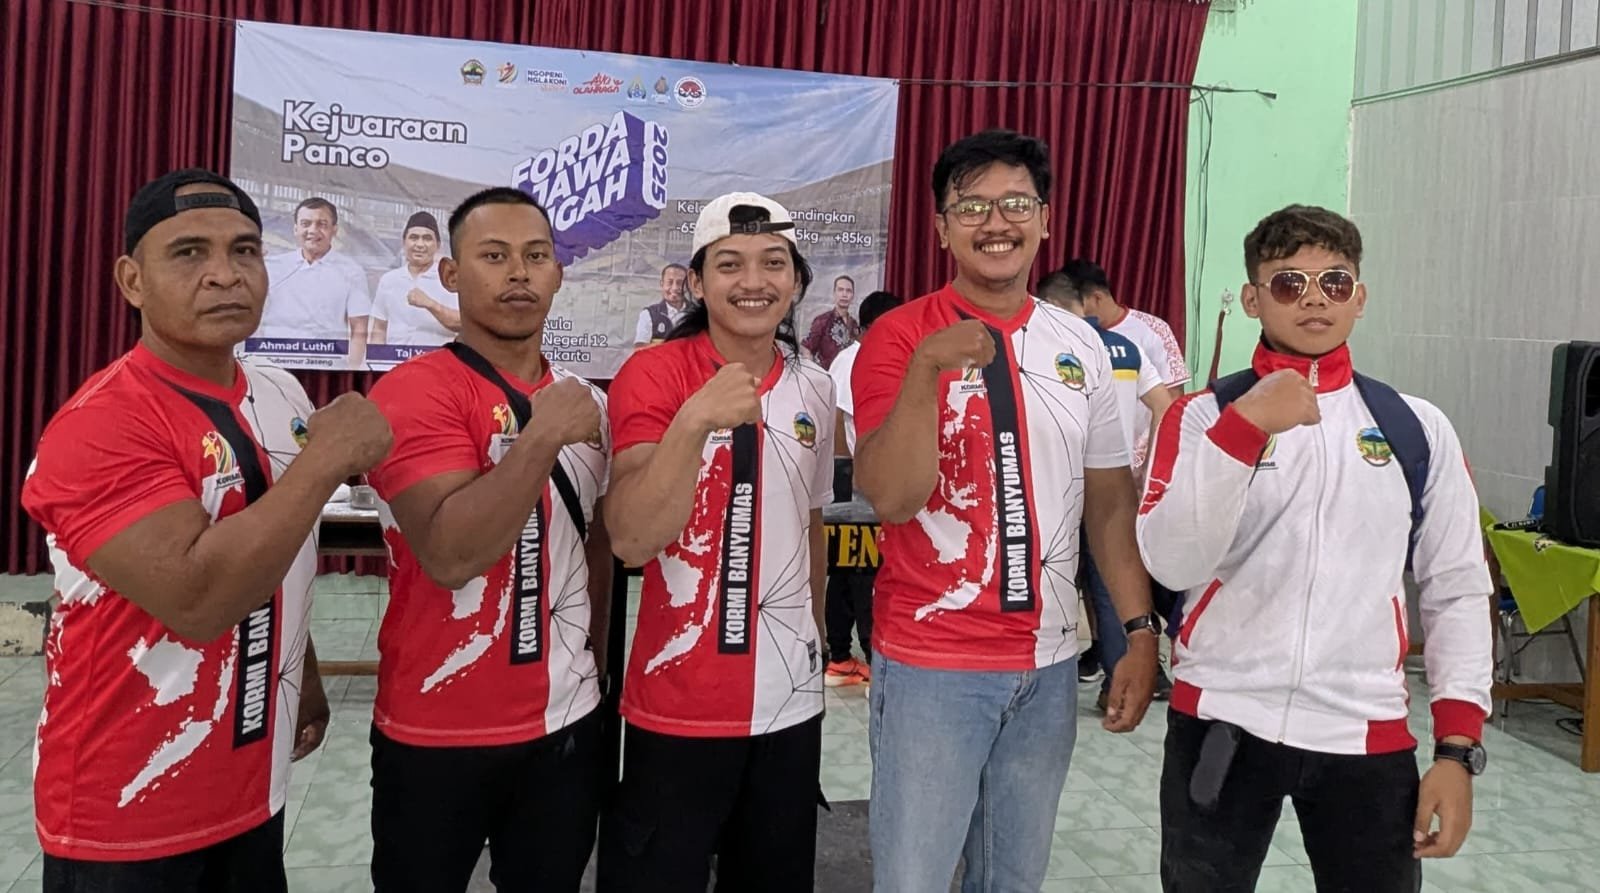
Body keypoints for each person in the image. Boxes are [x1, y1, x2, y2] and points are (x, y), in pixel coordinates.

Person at [21, 168, 392, 892]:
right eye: (189, 252)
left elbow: (271, 543)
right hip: (125, 811)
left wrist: (302, 672)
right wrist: (327, 461)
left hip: (250, 785)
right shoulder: (103, 423)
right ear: (132, 280)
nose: (225, 274)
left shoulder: (279, 390)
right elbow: (198, 598)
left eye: (244, 250)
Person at [1138, 205, 1492, 891]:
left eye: (1334, 281)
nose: (1314, 299)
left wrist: (1457, 748)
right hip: (1224, 719)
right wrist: (1243, 431)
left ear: (1359, 297)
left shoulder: (1416, 427)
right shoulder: (1202, 417)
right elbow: (1172, 563)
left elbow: (1456, 586)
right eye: (1288, 283)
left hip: (1364, 731)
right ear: (1253, 299)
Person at [850, 129, 1159, 892]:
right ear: (941, 227)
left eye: (1016, 203)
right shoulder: (899, 335)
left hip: (1049, 668)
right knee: (913, 882)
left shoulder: (1081, 344)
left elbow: (1109, 501)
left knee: (1012, 880)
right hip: (933, 665)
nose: (996, 222)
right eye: (972, 206)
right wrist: (926, 369)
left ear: (1045, 220)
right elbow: (891, 496)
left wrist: (1138, 630)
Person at [362, 188, 611, 892]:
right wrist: (541, 437)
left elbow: (595, 546)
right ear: (450, 274)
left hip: (565, 720)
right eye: (494, 256)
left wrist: (593, 668)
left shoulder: (588, 402)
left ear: (558, 273)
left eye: (536, 256)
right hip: (436, 724)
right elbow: (452, 554)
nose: (519, 274)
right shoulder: (414, 391)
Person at [598, 191, 834, 892]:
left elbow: (812, 521)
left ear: (796, 281)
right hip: (680, 698)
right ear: (697, 283)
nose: (753, 281)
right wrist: (695, 418)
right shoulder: (653, 372)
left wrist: (817, 634)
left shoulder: (816, 387)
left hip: (790, 699)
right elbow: (631, 539)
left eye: (773, 263)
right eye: (729, 264)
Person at [1038, 268, 1176, 707]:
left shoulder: (1056, 350)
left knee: (1057, 578)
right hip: (1115, 483)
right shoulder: (1128, 348)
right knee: (1113, 583)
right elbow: (1166, 407)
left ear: (1055, 307)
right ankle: (1122, 683)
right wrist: (1147, 467)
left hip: (1061, 486)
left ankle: (1051, 680)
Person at [821, 288, 903, 687]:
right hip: (854, 479)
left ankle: (840, 656)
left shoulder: (876, 355)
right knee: (861, 571)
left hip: (866, 476)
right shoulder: (854, 358)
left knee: (848, 571)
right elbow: (838, 418)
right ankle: (867, 655)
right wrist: (848, 474)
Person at [258, 196, 373, 368]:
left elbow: (359, 329)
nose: (313, 230)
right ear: (295, 229)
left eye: (322, 224)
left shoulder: (352, 271)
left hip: (328, 367)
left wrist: (352, 370)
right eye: (305, 224)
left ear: (334, 230)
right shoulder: (273, 267)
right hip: (277, 364)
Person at [1067, 257, 1189, 399]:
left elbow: (1174, 395)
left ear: (1097, 298)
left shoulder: (1155, 329)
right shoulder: (1071, 331)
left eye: (1077, 306)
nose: (1074, 313)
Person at [368, 211, 459, 347]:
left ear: (438, 245)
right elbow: (379, 328)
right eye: (414, 237)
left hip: (437, 358)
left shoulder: (449, 279)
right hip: (395, 358)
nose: (420, 244)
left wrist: (430, 304)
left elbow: (461, 324)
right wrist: (376, 357)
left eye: (427, 238)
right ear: (404, 242)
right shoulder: (389, 280)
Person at [801, 274, 859, 368]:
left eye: (848, 291)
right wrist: (812, 370)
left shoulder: (854, 324)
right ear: (834, 293)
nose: (844, 294)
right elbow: (807, 348)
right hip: (827, 373)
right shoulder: (823, 321)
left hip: (847, 374)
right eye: (840, 290)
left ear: (853, 295)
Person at [633, 262, 690, 346]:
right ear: (662, 284)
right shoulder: (649, 314)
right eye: (670, 282)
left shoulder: (696, 315)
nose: (674, 288)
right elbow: (640, 348)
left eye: (680, 283)